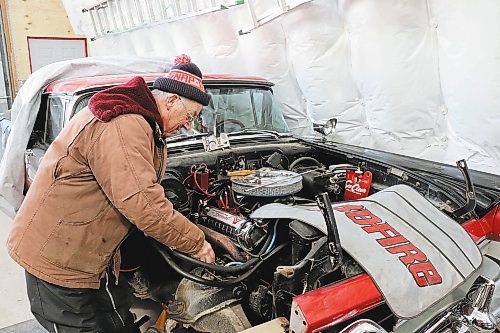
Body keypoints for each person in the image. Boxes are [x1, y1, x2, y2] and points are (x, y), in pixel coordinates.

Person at [7, 54, 215, 333]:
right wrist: (196, 243)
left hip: (93, 255)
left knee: (118, 321)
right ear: (172, 101)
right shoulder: (125, 124)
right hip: (59, 262)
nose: (189, 125)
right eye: (190, 116)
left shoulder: (142, 121)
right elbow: (144, 203)